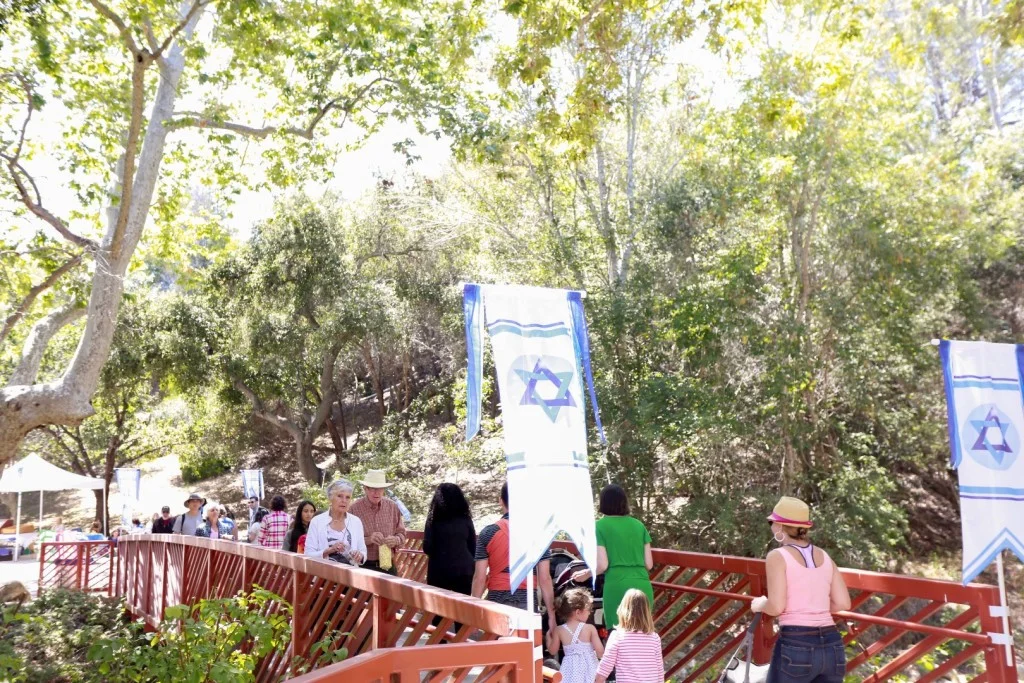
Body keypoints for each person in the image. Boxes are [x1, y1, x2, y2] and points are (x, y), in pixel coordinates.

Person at [751, 496, 851, 683]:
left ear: (780, 526)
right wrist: (815, 608)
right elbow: (843, 603)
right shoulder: (825, 556)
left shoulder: (777, 556)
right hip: (832, 644)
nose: (771, 526)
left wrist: (760, 604)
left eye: (771, 522)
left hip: (797, 643)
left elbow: (776, 607)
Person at [472, 482, 556, 646]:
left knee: (498, 649)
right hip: (527, 598)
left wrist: (474, 612)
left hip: (497, 599)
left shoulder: (488, 533)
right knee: (525, 649)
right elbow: (545, 579)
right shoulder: (538, 534)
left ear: (501, 501)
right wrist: (551, 615)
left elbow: (479, 578)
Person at [577, 484, 653, 630]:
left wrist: (586, 574)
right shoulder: (639, 525)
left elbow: (602, 565)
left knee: (617, 635)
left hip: (617, 586)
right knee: (643, 634)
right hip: (642, 586)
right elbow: (649, 564)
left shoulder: (599, 526)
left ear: (603, 503)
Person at [595, 588, 664, 683]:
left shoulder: (617, 636)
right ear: (647, 612)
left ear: (623, 610)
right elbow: (659, 670)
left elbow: (605, 666)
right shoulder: (654, 638)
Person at [423, 483, 476, 596]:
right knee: (462, 604)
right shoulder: (466, 519)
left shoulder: (433, 520)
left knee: (438, 605)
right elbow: (473, 546)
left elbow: (427, 547)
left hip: (439, 571)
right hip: (464, 570)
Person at [349, 470, 406, 574]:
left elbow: (402, 533)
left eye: (380, 489)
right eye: (373, 489)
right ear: (365, 489)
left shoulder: (392, 507)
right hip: (363, 566)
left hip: (388, 564)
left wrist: (396, 540)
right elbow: (348, 540)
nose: (377, 492)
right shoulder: (353, 509)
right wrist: (368, 539)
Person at [305, 479, 366, 566]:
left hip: (350, 573)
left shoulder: (356, 521)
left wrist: (360, 555)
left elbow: (363, 551)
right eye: (340, 496)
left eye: (348, 497)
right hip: (323, 573)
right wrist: (329, 550)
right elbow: (308, 555)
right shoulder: (317, 521)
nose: (344, 500)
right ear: (330, 498)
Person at [554, 588, 604, 683]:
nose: (590, 612)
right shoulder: (590, 628)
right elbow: (600, 652)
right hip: (590, 668)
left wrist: (548, 638)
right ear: (578, 612)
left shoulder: (559, 630)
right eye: (588, 610)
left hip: (569, 670)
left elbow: (553, 650)